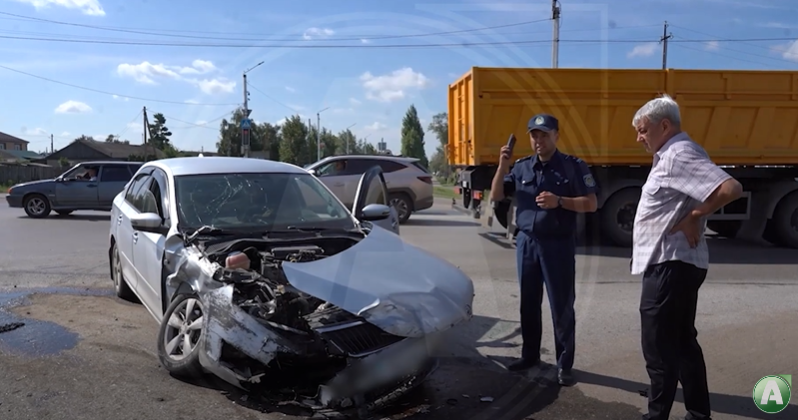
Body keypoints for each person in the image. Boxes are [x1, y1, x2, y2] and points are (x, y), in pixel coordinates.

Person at [630, 94, 743, 420]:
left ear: (664, 125)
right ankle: (698, 413)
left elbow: (731, 188)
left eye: (643, 130)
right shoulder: (672, 153)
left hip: (671, 264)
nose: (639, 138)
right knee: (681, 342)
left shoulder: (679, 153)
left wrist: (695, 214)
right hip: (675, 263)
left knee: (659, 347)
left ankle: (658, 415)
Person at [489, 113, 598, 386]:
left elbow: (591, 203)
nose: (538, 140)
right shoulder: (522, 167)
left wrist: (559, 201)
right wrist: (502, 167)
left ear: (556, 136)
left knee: (561, 306)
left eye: (544, 135)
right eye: (534, 135)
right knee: (529, 304)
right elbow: (496, 196)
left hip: (557, 244)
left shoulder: (573, 167)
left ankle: (564, 364)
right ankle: (530, 356)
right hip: (527, 243)